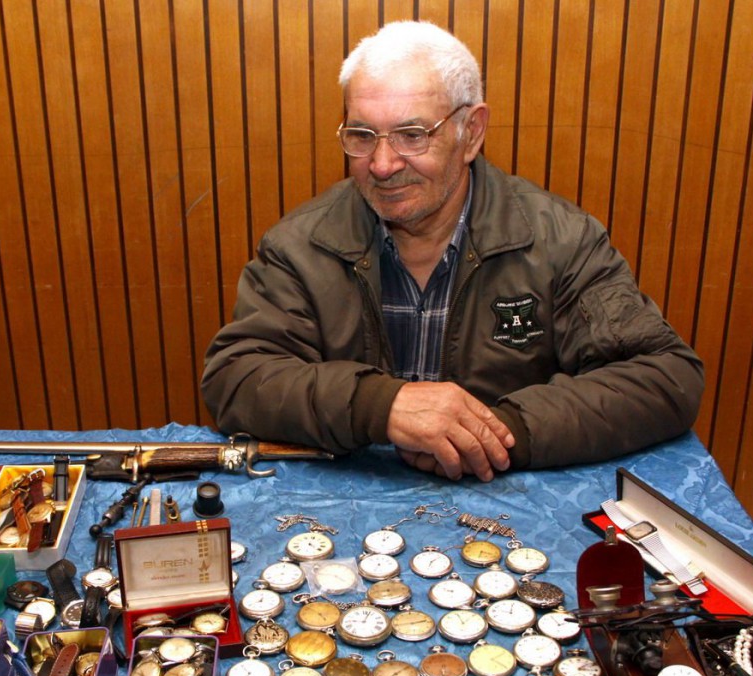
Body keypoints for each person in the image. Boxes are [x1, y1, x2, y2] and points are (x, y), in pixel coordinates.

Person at [201, 21, 703, 482]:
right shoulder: (300, 244)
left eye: (412, 135)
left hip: (502, 504)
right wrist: (380, 406)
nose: (382, 164)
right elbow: (236, 376)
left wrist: (502, 433)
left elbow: (665, 377)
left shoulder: (560, 240)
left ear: (471, 133)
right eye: (362, 135)